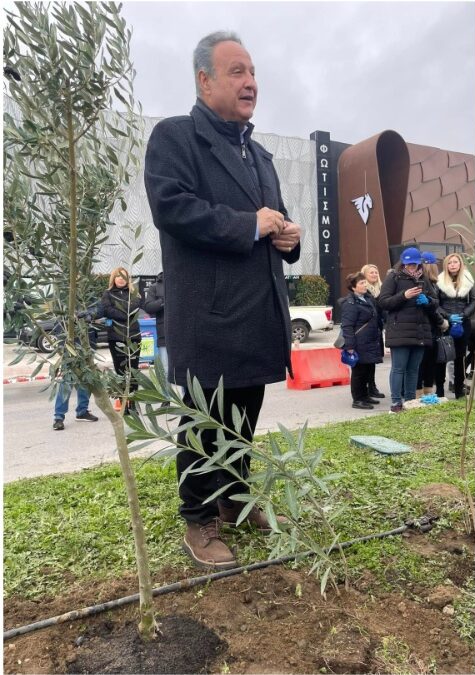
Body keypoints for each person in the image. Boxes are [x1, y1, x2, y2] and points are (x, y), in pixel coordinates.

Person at [144, 31, 302, 569]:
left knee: (245, 415)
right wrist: (248, 224)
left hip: (258, 314)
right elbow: (173, 209)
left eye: (252, 71)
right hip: (209, 316)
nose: (250, 81)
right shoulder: (176, 137)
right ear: (204, 80)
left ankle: (235, 500)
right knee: (203, 424)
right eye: (236, 71)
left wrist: (288, 237)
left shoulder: (259, 154)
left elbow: (271, 222)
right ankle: (199, 520)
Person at [377, 247, 440, 411]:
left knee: (413, 369)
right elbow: (383, 302)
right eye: (409, 264)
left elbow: (435, 302)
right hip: (400, 331)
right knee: (398, 368)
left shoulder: (424, 279)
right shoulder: (394, 277)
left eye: (415, 264)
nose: (412, 268)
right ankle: (396, 402)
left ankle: (410, 400)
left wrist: (427, 301)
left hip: (420, 331)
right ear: (403, 263)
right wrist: (403, 296)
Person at [99, 267, 143, 408]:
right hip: (115, 337)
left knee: (133, 371)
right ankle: (123, 402)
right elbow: (107, 310)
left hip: (133, 337)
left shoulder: (134, 293)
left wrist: (121, 312)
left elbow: (135, 307)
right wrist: (124, 314)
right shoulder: (107, 293)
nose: (121, 279)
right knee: (120, 371)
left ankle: (133, 403)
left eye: (123, 277)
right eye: (118, 276)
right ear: (113, 278)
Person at [340, 272, 384, 410]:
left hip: (370, 341)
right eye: (361, 283)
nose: (365, 285)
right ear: (353, 287)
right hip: (359, 342)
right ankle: (357, 399)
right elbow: (347, 326)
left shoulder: (367, 299)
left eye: (365, 282)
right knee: (359, 372)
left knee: (368, 369)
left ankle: (365, 395)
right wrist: (350, 346)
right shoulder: (350, 303)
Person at [436, 252, 475, 400]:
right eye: (450, 262)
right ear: (446, 265)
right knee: (442, 356)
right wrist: (447, 316)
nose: (453, 265)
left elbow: (473, 301)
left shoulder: (468, 279)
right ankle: (439, 391)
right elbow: (436, 303)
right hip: (445, 323)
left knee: (460, 358)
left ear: (460, 264)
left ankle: (459, 389)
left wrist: (463, 315)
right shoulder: (439, 281)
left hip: (463, 322)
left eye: (455, 262)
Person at [418, 251, 445, 396]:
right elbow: (431, 308)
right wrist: (442, 321)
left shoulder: (433, 284)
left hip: (432, 328)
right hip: (427, 327)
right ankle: (420, 393)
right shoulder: (425, 283)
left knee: (430, 363)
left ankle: (428, 391)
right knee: (424, 363)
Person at [359, 264, 386, 399]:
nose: (375, 274)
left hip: (377, 329)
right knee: (366, 362)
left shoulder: (381, 289)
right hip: (366, 331)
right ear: (364, 275)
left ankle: (372, 387)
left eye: (376, 272)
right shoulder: (364, 291)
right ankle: (366, 389)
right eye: (371, 273)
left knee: (373, 360)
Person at [142, 272, 168, 376]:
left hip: (184, 335)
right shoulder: (155, 287)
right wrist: (164, 300)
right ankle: (164, 393)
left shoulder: (184, 283)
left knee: (186, 372)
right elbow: (148, 307)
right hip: (164, 335)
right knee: (164, 371)